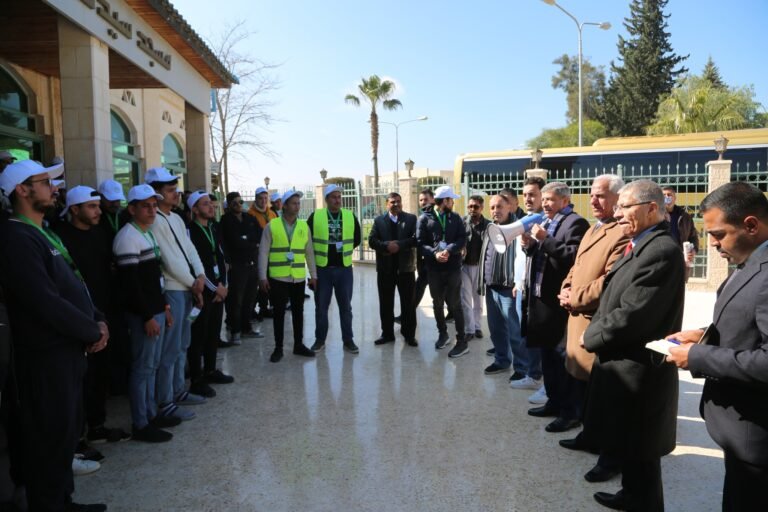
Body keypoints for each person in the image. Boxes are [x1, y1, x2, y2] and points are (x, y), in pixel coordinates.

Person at [0, 159, 108, 511]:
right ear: (22, 189)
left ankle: (64, 501)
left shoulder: (42, 231)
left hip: (68, 352)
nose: (54, 188)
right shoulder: (15, 237)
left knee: (65, 437)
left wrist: (97, 319)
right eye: (46, 182)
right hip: (44, 358)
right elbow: (44, 301)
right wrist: (90, 328)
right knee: (47, 441)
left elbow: (73, 284)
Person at [582, 179, 684, 511]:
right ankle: (631, 494)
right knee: (632, 444)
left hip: (639, 368)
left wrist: (591, 336)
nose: (618, 213)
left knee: (642, 448)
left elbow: (632, 314)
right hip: (624, 364)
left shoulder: (660, 251)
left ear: (651, 208)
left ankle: (644, 502)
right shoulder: (640, 244)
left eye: (625, 207)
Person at [666, 181, 768, 512]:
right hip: (740, 432)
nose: (711, 243)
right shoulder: (752, 261)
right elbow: (748, 324)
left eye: (719, 234)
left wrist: (698, 356)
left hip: (756, 436)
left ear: (751, 225)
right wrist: (703, 334)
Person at [556, 175, 629, 483]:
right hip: (576, 317)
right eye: (592, 195)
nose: (594, 201)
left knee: (604, 397)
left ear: (617, 198)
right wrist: (565, 288)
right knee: (584, 390)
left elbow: (610, 281)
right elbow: (577, 265)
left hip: (595, 322)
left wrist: (577, 297)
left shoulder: (622, 232)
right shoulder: (592, 228)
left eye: (601, 196)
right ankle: (589, 435)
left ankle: (609, 458)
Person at [54, 186, 131, 446]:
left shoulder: (101, 233)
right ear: (74, 209)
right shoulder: (59, 237)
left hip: (105, 314)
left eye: (98, 206)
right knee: (79, 380)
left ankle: (97, 426)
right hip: (75, 317)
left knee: (100, 374)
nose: (98, 211)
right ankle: (76, 439)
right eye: (92, 207)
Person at [114, 184, 178, 445]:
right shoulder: (127, 238)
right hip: (144, 316)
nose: (152, 211)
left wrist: (164, 307)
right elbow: (131, 286)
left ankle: (152, 414)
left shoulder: (146, 234)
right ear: (132, 209)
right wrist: (146, 316)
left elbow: (153, 280)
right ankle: (141, 422)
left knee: (151, 366)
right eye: (145, 206)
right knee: (143, 369)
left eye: (154, 206)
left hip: (155, 311)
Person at [522, 182, 588, 433]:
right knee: (547, 356)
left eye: (550, 200)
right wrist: (530, 246)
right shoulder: (548, 221)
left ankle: (570, 412)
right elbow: (543, 253)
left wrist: (545, 239)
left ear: (564, 200)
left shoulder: (575, 223)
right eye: (545, 199)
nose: (545, 204)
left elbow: (573, 256)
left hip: (558, 302)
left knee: (562, 359)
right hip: (541, 299)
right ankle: (554, 401)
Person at [145, 167, 208, 422]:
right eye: (171, 191)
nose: (177, 194)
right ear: (157, 194)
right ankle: (166, 400)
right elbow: (169, 260)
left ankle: (179, 390)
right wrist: (194, 282)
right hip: (173, 289)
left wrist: (201, 275)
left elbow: (189, 249)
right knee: (169, 350)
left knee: (182, 344)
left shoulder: (177, 218)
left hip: (188, 287)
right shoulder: (156, 221)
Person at [258, 190, 317, 362]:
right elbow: (263, 252)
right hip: (278, 278)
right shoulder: (272, 225)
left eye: (298, 203)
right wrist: (262, 277)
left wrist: (313, 275)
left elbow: (309, 253)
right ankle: (278, 347)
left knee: (298, 312)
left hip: (297, 277)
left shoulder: (303, 226)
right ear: (284, 205)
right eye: (293, 203)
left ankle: (298, 345)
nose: (297, 206)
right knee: (279, 313)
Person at [477, 194, 530, 377]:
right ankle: (501, 361)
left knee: (515, 332)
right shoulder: (490, 228)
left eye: (499, 206)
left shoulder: (519, 228)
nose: (495, 211)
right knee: (496, 329)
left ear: (510, 207)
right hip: (492, 287)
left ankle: (522, 368)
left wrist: (519, 283)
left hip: (510, 289)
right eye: (492, 207)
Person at [187, 191, 231, 398]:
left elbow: (220, 257)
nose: (211, 207)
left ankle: (211, 369)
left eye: (211, 204)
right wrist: (216, 288)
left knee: (213, 332)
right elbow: (197, 265)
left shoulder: (214, 228)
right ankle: (197, 379)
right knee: (199, 336)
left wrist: (225, 285)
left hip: (218, 289)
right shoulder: (190, 231)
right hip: (203, 292)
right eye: (205, 204)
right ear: (195, 209)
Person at [308, 184, 362, 354]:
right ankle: (320, 340)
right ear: (326, 199)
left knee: (346, 308)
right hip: (323, 269)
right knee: (321, 308)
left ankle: (348, 340)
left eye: (339, 197)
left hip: (344, 268)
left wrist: (343, 251)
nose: (337, 200)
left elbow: (357, 238)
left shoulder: (349, 216)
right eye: (333, 197)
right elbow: (308, 242)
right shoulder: (315, 216)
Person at [417, 185, 468, 357]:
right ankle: (443, 334)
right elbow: (420, 243)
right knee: (437, 303)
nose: (453, 202)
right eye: (450, 199)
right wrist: (435, 253)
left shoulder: (455, 218)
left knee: (455, 304)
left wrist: (450, 249)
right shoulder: (424, 219)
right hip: (434, 269)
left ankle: (461, 341)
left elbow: (463, 238)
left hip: (453, 267)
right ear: (444, 201)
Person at [510, 179, 547, 403]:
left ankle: (542, 379)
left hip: (538, 287)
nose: (528, 198)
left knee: (539, 337)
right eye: (525, 194)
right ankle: (533, 375)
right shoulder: (524, 220)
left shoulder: (544, 222)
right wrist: (517, 282)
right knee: (527, 334)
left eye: (532, 194)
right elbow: (519, 257)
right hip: (522, 286)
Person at [368, 192, 418, 347]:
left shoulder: (411, 219)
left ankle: (409, 335)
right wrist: (386, 246)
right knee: (386, 303)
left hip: (406, 269)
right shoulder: (379, 221)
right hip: (385, 270)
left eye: (398, 201)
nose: (396, 204)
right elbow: (371, 240)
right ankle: (387, 334)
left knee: (408, 304)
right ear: (387, 204)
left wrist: (399, 245)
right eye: (392, 202)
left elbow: (416, 239)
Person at [220, 191, 263, 345]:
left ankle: (246, 328)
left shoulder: (250, 218)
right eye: (234, 202)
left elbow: (260, 236)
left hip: (252, 264)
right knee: (235, 300)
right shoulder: (225, 221)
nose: (238, 205)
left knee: (250, 299)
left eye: (240, 201)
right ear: (229, 205)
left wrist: (248, 242)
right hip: (237, 266)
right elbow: (232, 242)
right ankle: (235, 330)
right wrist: (250, 243)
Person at [461, 195, 489, 340]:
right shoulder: (462, 223)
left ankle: (477, 327)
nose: (472, 209)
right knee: (465, 299)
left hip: (480, 267)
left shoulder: (488, 225)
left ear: (481, 208)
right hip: (464, 267)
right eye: (470, 206)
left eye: (476, 206)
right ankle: (469, 330)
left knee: (478, 300)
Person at [247, 186, 276, 320]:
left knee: (269, 280)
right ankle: (252, 308)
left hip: (272, 252)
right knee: (259, 280)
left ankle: (265, 307)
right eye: (261, 198)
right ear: (256, 199)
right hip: (257, 252)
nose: (263, 201)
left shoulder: (272, 214)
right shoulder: (250, 214)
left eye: (265, 198)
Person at [662, 186, 699, 281]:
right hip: (662, 261)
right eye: (664, 195)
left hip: (681, 262)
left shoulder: (685, 217)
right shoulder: (656, 216)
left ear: (675, 197)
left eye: (669, 195)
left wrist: (693, 250)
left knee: (679, 291)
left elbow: (693, 236)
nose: (667, 197)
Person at [409, 188, 435, 313]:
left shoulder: (434, 216)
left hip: (431, 258)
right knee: (437, 288)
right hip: (423, 258)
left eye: (426, 199)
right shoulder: (422, 216)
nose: (423, 202)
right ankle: (453, 311)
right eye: (421, 200)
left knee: (419, 285)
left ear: (433, 199)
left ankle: (407, 314)